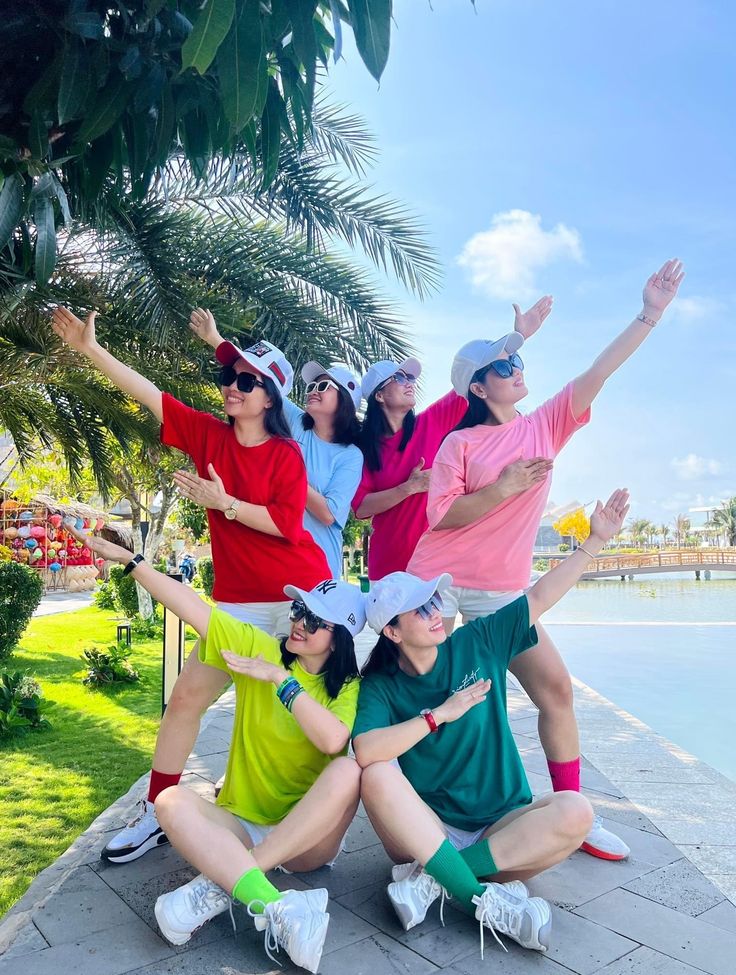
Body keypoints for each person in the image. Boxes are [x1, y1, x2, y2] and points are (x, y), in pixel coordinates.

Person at [407, 259, 684, 862]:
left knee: (556, 689)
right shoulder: (459, 442)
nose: (517, 370)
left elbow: (600, 371)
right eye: (503, 367)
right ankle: (419, 811)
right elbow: (441, 517)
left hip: (504, 591)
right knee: (435, 698)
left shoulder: (548, 423)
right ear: (478, 387)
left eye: (519, 362)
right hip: (439, 586)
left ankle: (571, 814)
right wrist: (502, 488)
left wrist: (651, 313)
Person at [50, 306, 330, 864]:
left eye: (245, 380)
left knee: (300, 713)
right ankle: (158, 809)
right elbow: (150, 394)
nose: (231, 386)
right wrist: (90, 350)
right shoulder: (207, 434)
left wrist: (224, 503)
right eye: (227, 377)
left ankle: (307, 823)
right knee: (184, 700)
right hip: (236, 605)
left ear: (271, 396)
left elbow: (285, 523)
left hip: (299, 603)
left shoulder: (286, 454)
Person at [71, 525, 366, 975]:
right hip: (242, 822)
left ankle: (222, 881)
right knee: (169, 801)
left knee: (348, 773)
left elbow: (331, 740)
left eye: (314, 620)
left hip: (306, 840)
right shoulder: (259, 648)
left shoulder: (346, 686)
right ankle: (275, 906)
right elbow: (196, 610)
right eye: (298, 610)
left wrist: (280, 681)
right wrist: (131, 563)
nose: (299, 623)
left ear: (341, 637)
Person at [353, 490, 629, 957]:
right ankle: (474, 892)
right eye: (419, 609)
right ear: (393, 633)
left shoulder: (477, 641)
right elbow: (365, 750)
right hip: (427, 830)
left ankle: (438, 879)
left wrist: (595, 541)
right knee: (376, 774)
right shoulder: (381, 686)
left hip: (505, 828)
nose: (434, 611)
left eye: (433, 601)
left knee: (576, 812)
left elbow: (539, 595)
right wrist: (439, 715)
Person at [352, 298, 552, 580]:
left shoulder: (431, 421)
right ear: (379, 396)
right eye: (399, 377)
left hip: (439, 566)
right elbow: (360, 507)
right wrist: (408, 488)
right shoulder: (364, 450)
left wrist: (516, 340)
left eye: (410, 376)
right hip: (389, 568)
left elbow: (474, 377)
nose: (410, 381)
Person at [188, 308, 364, 579]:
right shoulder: (296, 423)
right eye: (311, 387)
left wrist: (290, 480)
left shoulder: (350, 456)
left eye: (323, 387)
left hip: (319, 568)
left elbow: (329, 514)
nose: (312, 392)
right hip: (278, 561)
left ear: (345, 404)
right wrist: (214, 338)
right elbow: (260, 378)